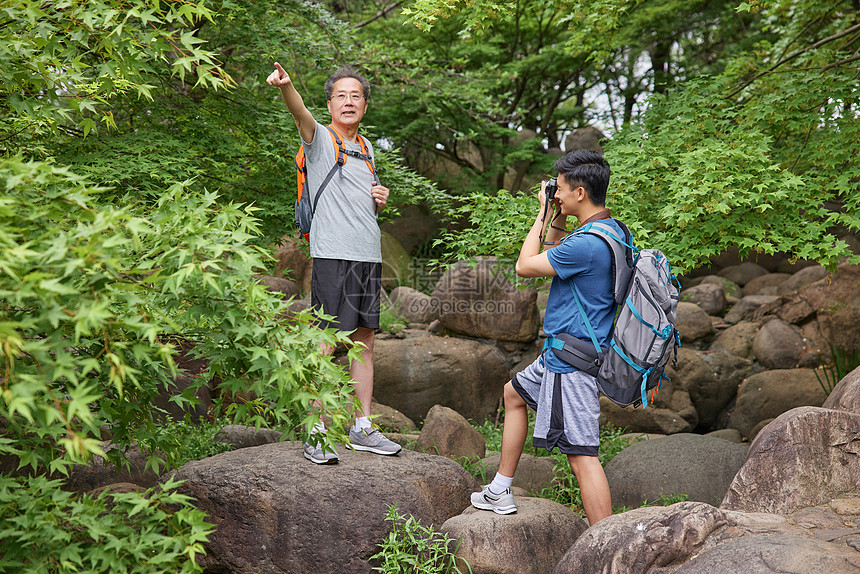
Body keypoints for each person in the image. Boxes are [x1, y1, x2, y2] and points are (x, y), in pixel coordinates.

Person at [470, 149, 620, 525]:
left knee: (582, 456)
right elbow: (555, 254)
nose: (557, 194)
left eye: (563, 189)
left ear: (581, 192)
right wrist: (556, 216)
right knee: (513, 394)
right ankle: (501, 488)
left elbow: (525, 265)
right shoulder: (608, 231)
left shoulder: (586, 244)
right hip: (564, 354)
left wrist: (539, 215)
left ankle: (608, 545)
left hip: (571, 362)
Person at [266, 62, 401, 464]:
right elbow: (299, 114)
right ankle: (316, 430)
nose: (348, 101)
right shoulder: (321, 139)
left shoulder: (367, 147)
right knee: (325, 342)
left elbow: (360, 198)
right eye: (340, 95)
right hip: (333, 256)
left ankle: (361, 427)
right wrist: (287, 87)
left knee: (365, 340)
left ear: (364, 105)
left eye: (355, 95)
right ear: (329, 103)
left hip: (367, 255)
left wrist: (380, 199)